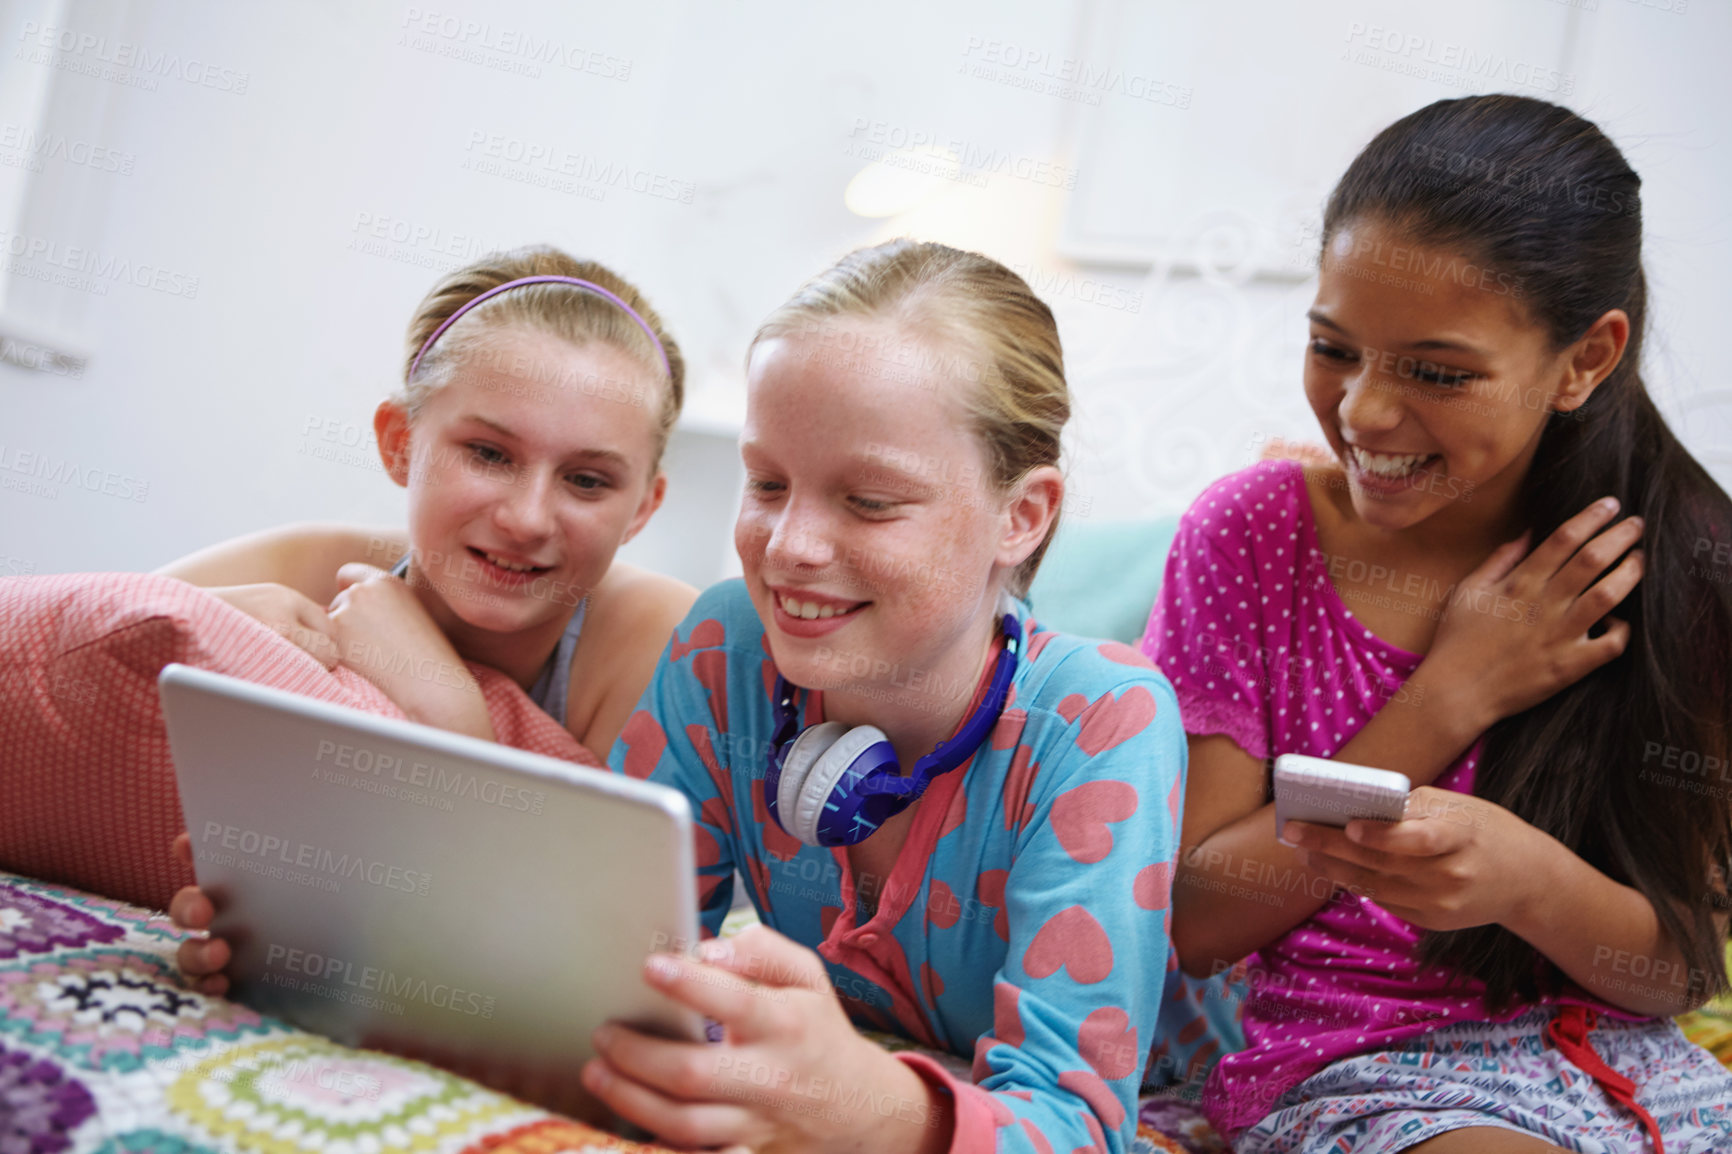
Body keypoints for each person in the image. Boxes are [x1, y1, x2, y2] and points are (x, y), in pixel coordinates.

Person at [1149, 95, 1732, 1152]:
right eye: (1333, 347)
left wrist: (1526, 880)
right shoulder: (1249, 537)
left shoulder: (1682, 567)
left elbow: (1681, 969)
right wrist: (1451, 693)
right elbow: (1195, 919)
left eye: (1436, 371)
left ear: (1586, 359)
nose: (1366, 412)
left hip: (1637, 1073)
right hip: (1356, 1069)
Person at [577, 240, 1188, 1152]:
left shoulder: (1100, 722)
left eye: (867, 501)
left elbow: (1080, 1127)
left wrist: (868, 1106)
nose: (789, 546)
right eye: (768, 483)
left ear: (1021, 517)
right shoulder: (722, 648)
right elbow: (613, 966)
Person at [158, 245, 695, 759]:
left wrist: (448, 713)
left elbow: (584, 857)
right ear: (400, 443)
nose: (527, 519)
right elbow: (82, 632)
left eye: (586, 481)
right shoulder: (296, 573)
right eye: (488, 454)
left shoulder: (674, 649)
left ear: (644, 508)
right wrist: (199, 632)